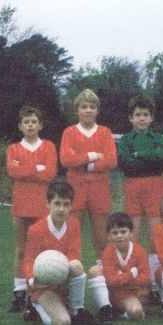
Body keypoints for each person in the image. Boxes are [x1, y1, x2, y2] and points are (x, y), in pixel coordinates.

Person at [21, 179, 96, 325]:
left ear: (71, 206)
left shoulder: (73, 224)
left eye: (66, 204)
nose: (61, 209)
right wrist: (33, 282)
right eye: (57, 204)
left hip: (62, 278)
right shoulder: (36, 229)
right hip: (43, 284)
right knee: (63, 322)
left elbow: (74, 253)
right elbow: (29, 259)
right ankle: (34, 306)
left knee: (76, 265)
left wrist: (59, 269)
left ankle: (77, 310)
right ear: (48, 204)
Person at [116, 95, 163, 299]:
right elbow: (125, 164)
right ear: (131, 118)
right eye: (138, 114)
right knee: (134, 238)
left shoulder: (158, 138)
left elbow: (162, 160)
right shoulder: (126, 140)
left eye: (145, 115)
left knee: (156, 240)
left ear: (151, 118)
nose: (141, 118)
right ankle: (136, 285)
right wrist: (149, 157)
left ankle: (157, 286)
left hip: (155, 187)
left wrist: (138, 155)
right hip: (133, 187)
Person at [6, 106, 58, 313]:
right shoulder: (13, 149)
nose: (30, 125)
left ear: (40, 125)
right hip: (21, 203)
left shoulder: (48, 147)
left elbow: (50, 173)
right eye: (26, 122)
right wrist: (37, 167)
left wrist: (26, 170)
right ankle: (19, 292)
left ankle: (39, 290)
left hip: (41, 204)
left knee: (42, 250)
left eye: (33, 121)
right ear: (20, 126)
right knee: (21, 249)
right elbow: (13, 171)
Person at [60, 88, 117, 260]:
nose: (88, 110)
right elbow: (66, 160)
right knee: (71, 236)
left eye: (92, 106)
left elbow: (111, 161)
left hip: (99, 188)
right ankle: (70, 276)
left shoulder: (105, 132)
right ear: (77, 110)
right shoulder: (69, 132)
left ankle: (102, 279)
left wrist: (86, 166)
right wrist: (92, 156)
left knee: (101, 239)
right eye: (84, 107)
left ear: (97, 110)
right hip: (75, 188)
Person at [87, 212, 150, 323]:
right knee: (94, 271)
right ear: (109, 236)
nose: (119, 236)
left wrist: (121, 278)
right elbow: (110, 281)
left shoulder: (139, 250)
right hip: (111, 294)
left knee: (137, 313)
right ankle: (105, 309)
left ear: (131, 233)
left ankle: (120, 313)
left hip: (129, 294)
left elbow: (145, 279)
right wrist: (131, 275)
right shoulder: (108, 252)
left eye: (123, 232)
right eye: (115, 233)